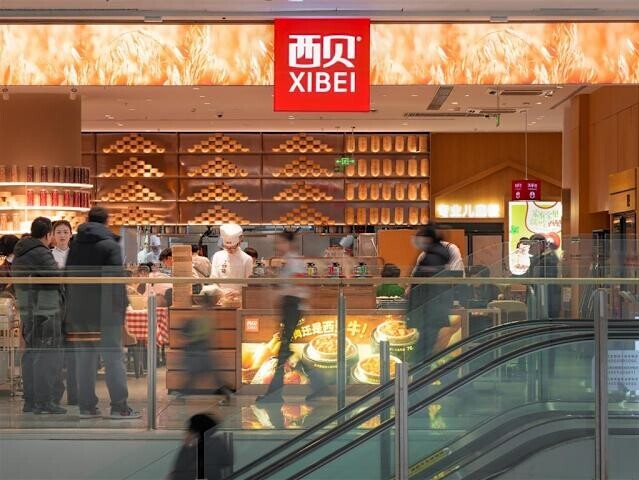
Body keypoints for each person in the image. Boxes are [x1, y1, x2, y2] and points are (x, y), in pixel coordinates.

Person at [65, 207, 140, 419]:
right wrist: (121, 308)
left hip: (79, 311)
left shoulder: (75, 244)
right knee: (113, 357)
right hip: (106, 312)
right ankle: (119, 407)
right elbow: (115, 282)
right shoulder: (110, 245)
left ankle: (86, 407)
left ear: (87, 219)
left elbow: (68, 277)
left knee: (85, 358)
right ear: (107, 221)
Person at [258, 231, 321, 404]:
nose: (277, 246)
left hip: (293, 306)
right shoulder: (287, 262)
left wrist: (280, 292)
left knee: (284, 350)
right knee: (285, 349)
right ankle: (318, 384)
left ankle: (275, 394)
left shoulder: (294, 262)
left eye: (280, 242)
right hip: (289, 306)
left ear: (289, 243)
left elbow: (300, 286)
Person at [13, 217, 66, 414]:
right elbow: (55, 278)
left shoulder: (21, 251)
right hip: (45, 309)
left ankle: (30, 400)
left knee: (31, 353)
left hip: (29, 308)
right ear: (48, 234)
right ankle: (45, 401)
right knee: (47, 355)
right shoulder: (40, 252)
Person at [407, 225, 452, 361]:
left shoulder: (432, 258)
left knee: (422, 353)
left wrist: (414, 308)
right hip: (431, 312)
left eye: (419, 237)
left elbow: (427, 287)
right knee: (424, 351)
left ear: (427, 239)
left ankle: (420, 374)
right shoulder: (434, 255)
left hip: (428, 313)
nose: (416, 241)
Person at [51, 219, 78, 406]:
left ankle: (75, 396)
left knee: (74, 354)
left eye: (65, 232)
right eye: (58, 232)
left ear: (70, 234)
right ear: (52, 235)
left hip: (74, 310)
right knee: (56, 354)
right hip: (55, 310)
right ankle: (55, 395)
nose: (62, 235)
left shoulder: (76, 256)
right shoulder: (48, 256)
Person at [168, 413, 232, 480]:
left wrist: (186, 447)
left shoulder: (194, 447)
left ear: (196, 431)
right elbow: (227, 462)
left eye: (190, 430)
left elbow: (180, 469)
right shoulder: (217, 442)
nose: (187, 432)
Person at [207, 224, 252, 301]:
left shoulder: (247, 259)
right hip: (220, 298)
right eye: (227, 247)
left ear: (239, 242)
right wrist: (220, 292)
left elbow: (249, 283)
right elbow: (213, 279)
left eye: (233, 247)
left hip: (240, 299)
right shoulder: (217, 256)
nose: (230, 249)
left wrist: (238, 292)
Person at [528, 234, 561, 319]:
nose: (530, 248)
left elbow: (542, 283)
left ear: (540, 245)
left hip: (547, 301)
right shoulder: (543, 259)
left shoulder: (547, 261)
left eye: (532, 245)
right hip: (545, 299)